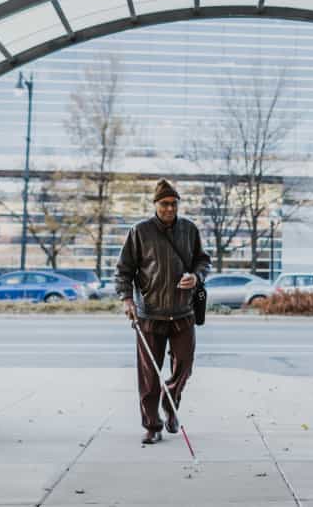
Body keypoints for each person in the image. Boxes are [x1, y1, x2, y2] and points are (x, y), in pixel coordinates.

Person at [116, 178, 211, 444]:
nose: (169, 208)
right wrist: (127, 299)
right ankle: (152, 425)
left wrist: (196, 276)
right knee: (148, 376)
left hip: (183, 312)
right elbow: (124, 270)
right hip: (149, 314)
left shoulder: (189, 230)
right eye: (164, 204)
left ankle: (170, 401)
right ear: (155, 204)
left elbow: (203, 261)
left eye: (173, 204)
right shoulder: (140, 231)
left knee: (185, 366)